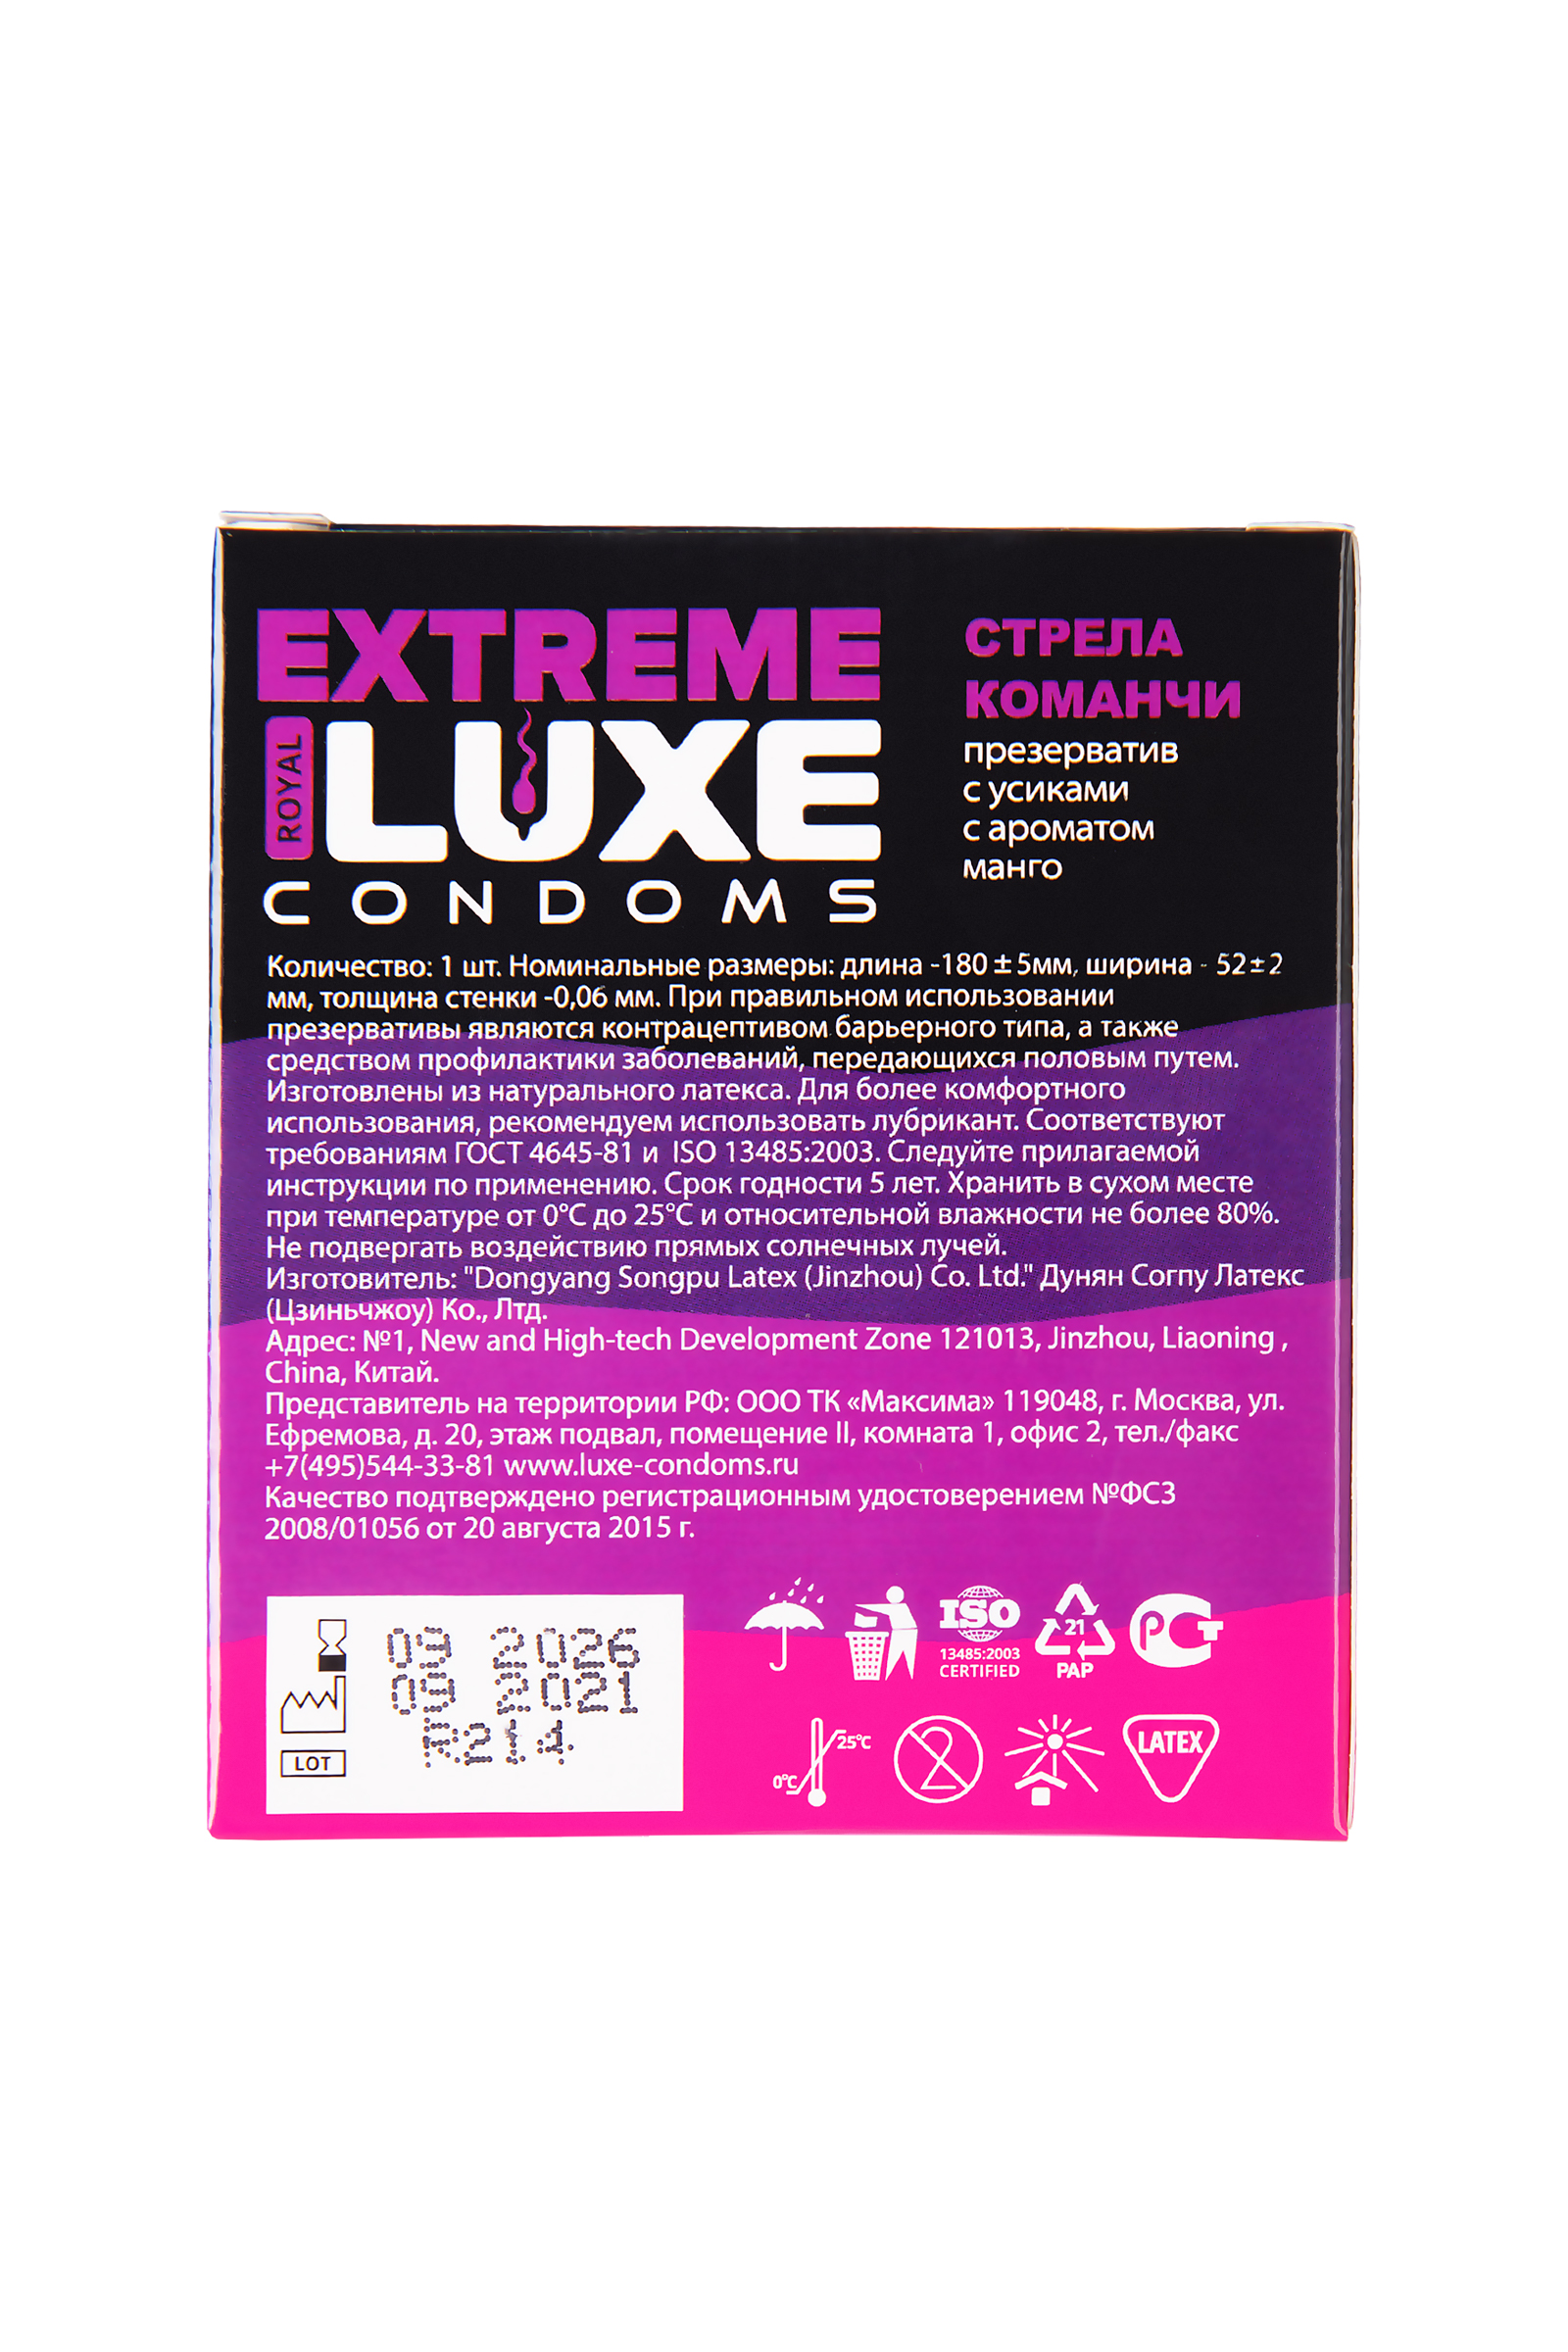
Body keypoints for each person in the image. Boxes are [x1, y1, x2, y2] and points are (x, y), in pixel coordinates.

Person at [856, 1586, 917, 1678]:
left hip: (904, 1632)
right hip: (904, 1631)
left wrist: (860, 1605)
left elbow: (879, 1608)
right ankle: (890, 1676)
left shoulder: (897, 1607)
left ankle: (894, 1676)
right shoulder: (901, 1607)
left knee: (901, 1656)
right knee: (899, 1656)